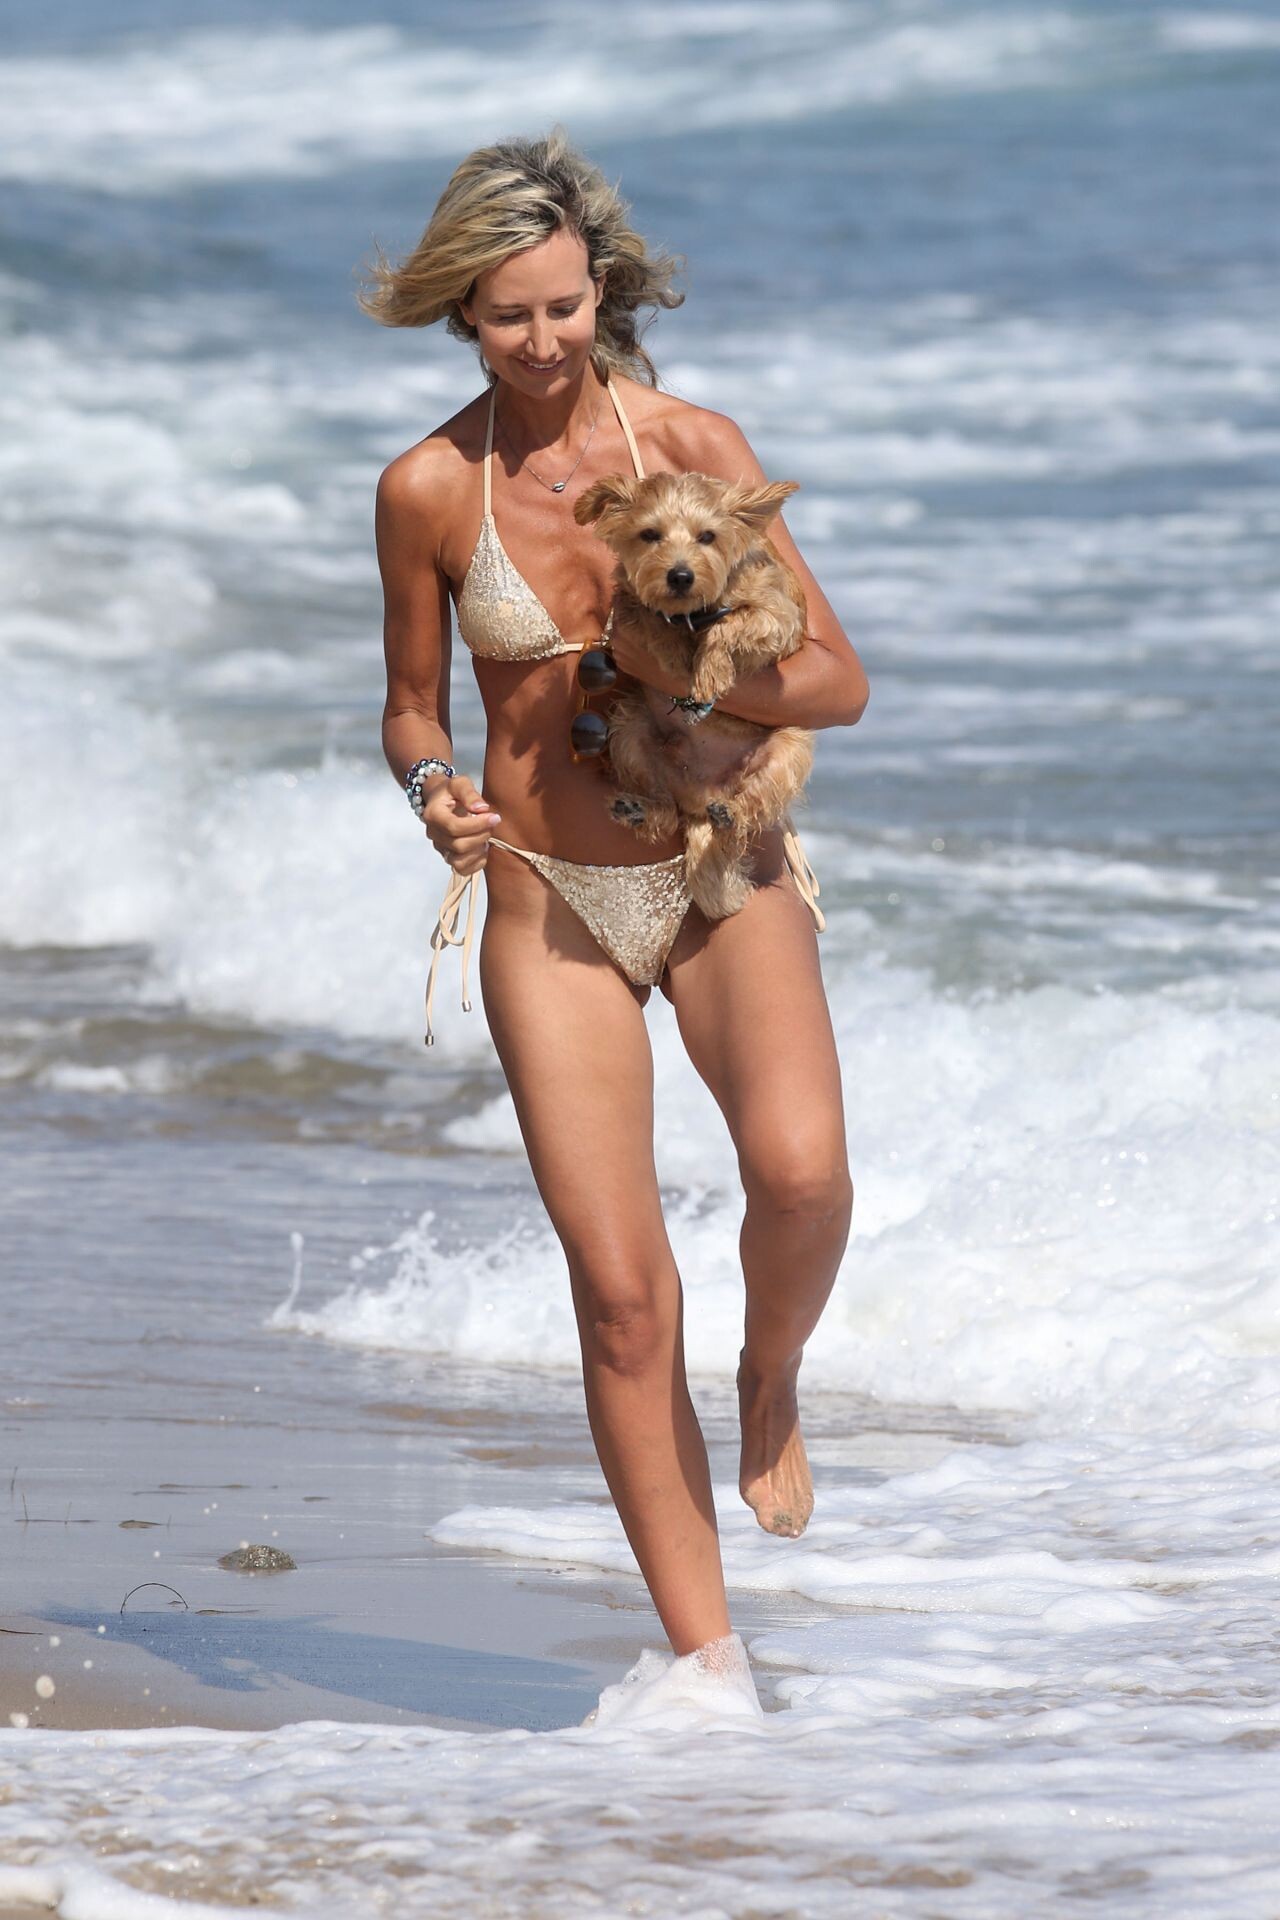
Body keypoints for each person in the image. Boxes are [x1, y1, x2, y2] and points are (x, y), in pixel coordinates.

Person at [361, 131, 869, 1664]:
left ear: (606, 293)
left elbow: (838, 684)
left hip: (719, 867)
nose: (542, 340)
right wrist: (430, 789)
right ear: (463, 309)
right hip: (549, 899)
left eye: (566, 306)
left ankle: (769, 1374)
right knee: (624, 1303)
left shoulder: (694, 446)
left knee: (801, 1180)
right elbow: (410, 703)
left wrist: (690, 682)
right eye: (509, 313)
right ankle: (709, 1675)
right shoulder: (428, 488)